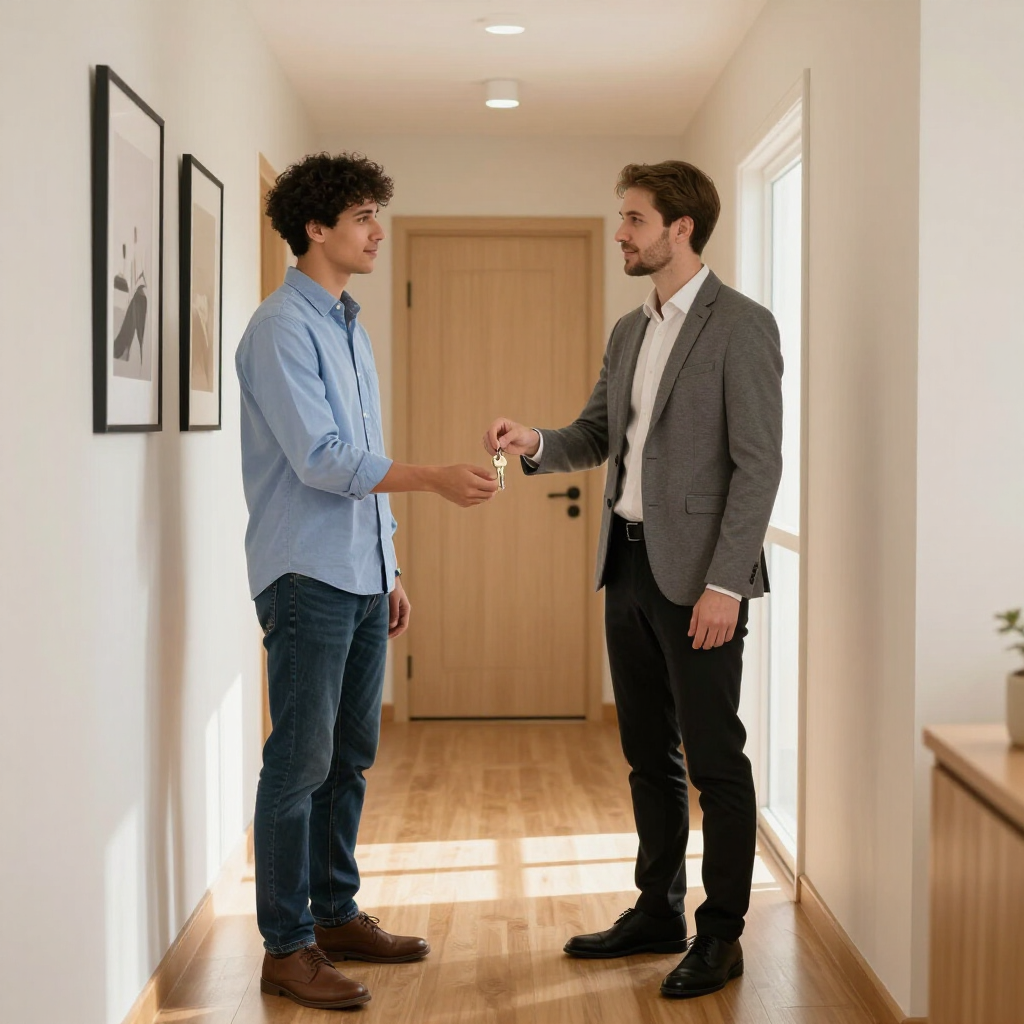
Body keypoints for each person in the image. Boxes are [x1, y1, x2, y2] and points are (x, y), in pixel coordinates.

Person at [484, 160, 783, 1000]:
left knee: (716, 759)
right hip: (628, 565)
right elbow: (593, 434)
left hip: (702, 583)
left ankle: (721, 934)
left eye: (635, 220)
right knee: (648, 756)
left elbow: (758, 468)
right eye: (623, 219)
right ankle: (657, 909)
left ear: (680, 229)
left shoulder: (743, 326)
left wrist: (727, 584)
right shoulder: (629, 331)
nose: (622, 232)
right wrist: (532, 441)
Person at [237, 152, 498, 1009]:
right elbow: (321, 462)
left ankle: (336, 913)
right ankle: (287, 948)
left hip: (356, 574)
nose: (376, 231)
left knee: (351, 756)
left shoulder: (349, 325)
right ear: (316, 229)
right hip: (306, 575)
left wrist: (391, 563)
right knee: (299, 763)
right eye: (361, 217)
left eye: (376, 215)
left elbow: (357, 457)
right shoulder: (280, 328)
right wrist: (430, 479)